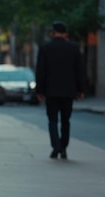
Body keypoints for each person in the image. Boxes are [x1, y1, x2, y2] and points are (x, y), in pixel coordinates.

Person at [35, 21, 85, 159]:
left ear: (53, 33)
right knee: (65, 120)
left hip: (51, 92)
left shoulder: (45, 48)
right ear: (65, 34)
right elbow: (79, 70)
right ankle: (63, 147)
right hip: (69, 91)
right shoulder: (74, 48)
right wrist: (81, 89)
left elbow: (40, 71)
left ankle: (55, 146)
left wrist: (39, 90)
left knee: (52, 120)